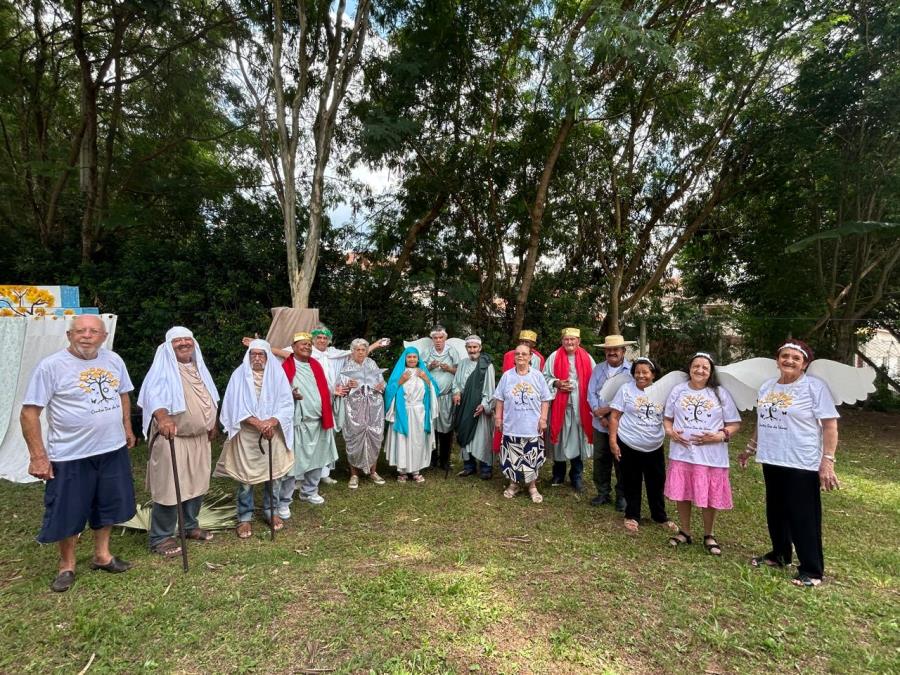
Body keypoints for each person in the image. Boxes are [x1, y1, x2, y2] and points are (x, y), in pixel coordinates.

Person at [20, 315, 137, 592]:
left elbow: (123, 394)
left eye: (93, 331)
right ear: (69, 335)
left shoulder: (114, 360)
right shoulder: (51, 366)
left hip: (111, 449)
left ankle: (102, 555)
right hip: (70, 453)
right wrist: (38, 455)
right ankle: (67, 565)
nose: (87, 335)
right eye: (80, 331)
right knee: (68, 509)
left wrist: (127, 427)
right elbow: (30, 412)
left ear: (103, 336)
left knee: (107, 505)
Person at [738, 340, 839, 588]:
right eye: (785, 356)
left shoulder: (814, 387)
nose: (790, 361)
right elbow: (763, 421)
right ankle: (780, 555)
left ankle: (812, 570)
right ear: (777, 359)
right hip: (772, 458)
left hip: (801, 461)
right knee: (776, 510)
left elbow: (829, 424)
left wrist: (827, 460)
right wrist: (750, 448)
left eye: (796, 357)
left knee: (803, 515)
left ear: (804, 363)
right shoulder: (767, 387)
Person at [138, 326, 220, 557]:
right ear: (168, 346)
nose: (184, 343)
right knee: (170, 487)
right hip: (172, 438)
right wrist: (163, 418)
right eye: (177, 341)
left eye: (187, 339)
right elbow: (153, 396)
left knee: (196, 484)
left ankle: (189, 526)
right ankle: (161, 536)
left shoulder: (198, 367)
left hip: (199, 439)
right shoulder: (163, 369)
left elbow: (210, 396)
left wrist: (212, 423)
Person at [214, 340, 294, 537]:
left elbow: (286, 403)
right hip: (247, 435)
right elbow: (233, 406)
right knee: (245, 479)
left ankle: (270, 511)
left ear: (268, 357)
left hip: (272, 433)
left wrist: (272, 422)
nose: (257, 358)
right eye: (253, 354)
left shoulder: (278, 375)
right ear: (248, 356)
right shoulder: (238, 376)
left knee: (273, 475)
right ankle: (244, 517)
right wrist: (258, 424)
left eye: (261, 354)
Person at [663, 352, 741, 554]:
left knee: (709, 494)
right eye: (696, 366)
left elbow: (734, 423)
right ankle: (685, 531)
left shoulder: (719, 393)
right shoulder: (678, 390)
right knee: (683, 492)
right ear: (689, 369)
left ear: (710, 371)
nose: (700, 370)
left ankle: (709, 534)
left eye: (705, 367)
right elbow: (667, 418)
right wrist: (670, 432)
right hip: (682, 452)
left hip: (711, 455)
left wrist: (720, 436)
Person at [609, 357, 676, 533]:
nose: (641, 375)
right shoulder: (626, 390)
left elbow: (669, 417)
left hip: (654, 445)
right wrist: (613, 441)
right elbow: (614, 416)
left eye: (645, 372)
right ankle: (632, 515)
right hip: (629, 442)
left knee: (657, 480)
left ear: (653, 374)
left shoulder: (662, 391)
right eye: (637, 372)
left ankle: (659, 515)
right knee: (631, 480)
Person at [277, 332, 338, 508]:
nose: (307, 347)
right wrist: (290, 394)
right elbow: (278, 392)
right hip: (298, 424)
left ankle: (309, 492)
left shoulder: (316, 365)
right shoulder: (286, 367)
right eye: (302, 344)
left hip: (319, 421)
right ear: (293, 347)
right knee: (291, 465)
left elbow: (324, 391)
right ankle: (284, 501)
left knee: (318, 460)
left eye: (309, 344)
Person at [493, 343, 552, 503]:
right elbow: (499, 398)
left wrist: (543, 419)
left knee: (531, 457)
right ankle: (513, 484)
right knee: (512, 457)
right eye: (517, 353)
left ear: (530, 357)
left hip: (531, 426)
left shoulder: (537, 376)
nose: (520, 356)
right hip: (512, 425)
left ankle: (532, 486)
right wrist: (498, 418)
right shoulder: (507, 376)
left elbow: (545, 399)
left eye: (524, 354)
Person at [543, 327, 596, 492]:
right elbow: (544, 377)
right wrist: (557, 383)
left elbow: (594, 381)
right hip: (561, 406)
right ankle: (558, 474)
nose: (569, 342)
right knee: (559, 440)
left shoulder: (587, 358)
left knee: (578, 442)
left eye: (573, 339)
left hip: (579, 408)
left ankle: (576, 476)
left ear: (578, 341)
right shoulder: (554, 356)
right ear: (562, 341)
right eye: (566, 339)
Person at [587, 334, 634, 510]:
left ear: (623, 351)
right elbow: (591, 393)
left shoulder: (632, 371)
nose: (612, 353)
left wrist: (608, 413)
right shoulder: (598, 369)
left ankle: (622, 495)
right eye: (609, 350)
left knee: (621, 459)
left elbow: (630, 397)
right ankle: (602, 492)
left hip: (622, 424)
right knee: (601, 458)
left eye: (616, 349)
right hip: (599, 423)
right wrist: (600, 416)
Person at [384, 347, 439, 482]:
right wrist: (399, 382)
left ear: (418, 359)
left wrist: (427, 379)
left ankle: (416, 470)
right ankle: (402, 471)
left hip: (420, 413)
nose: (412, 359)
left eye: (415, 357)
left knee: (417, 441)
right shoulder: (400, 373)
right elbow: (388, 392)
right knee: (402, 439)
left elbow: (435, 390)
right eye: (409, 357)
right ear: (405, 358)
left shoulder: (423, 372)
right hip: (402, 412)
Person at [337, 338, 387, 488]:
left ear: (366, 351)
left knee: (375, 436)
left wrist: (380, 386)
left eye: (363, 350)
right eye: (357, 350)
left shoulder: (372, 364)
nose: (360, 352)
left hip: (373, 405)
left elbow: (382, 383)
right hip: (355, 406)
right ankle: (354, 474)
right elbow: (340, 388)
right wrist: (348, 385)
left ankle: (373, 471)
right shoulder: (347, 366)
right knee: (354, 436)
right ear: (352, 351)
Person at [452, 335, 496, 479]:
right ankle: (469, 466)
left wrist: (484, 405)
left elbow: (490, 389)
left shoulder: (487, 365)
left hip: (479, 406)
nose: (472, 350)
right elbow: (456, 383)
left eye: (475, 347)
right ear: (466, 349)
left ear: (480, 348)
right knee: (465, 433)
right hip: (464, 405)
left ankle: (485, 467)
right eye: (469, 347)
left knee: (482, 437)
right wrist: (457, 392)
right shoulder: (463, 363)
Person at [420, 325, 458, 471]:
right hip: (431, 397)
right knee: (432, 427)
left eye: (440, 337)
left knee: (446, 428)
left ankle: (445, 460)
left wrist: (449, 369)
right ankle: (431, 459)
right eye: (435, 338)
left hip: (447, 396)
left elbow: (459, 371)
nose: (438, 340)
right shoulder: (427, 352)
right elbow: (419, 370)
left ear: (445, 338)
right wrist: (429, 366)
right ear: (432, 339)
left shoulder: (452, 351)